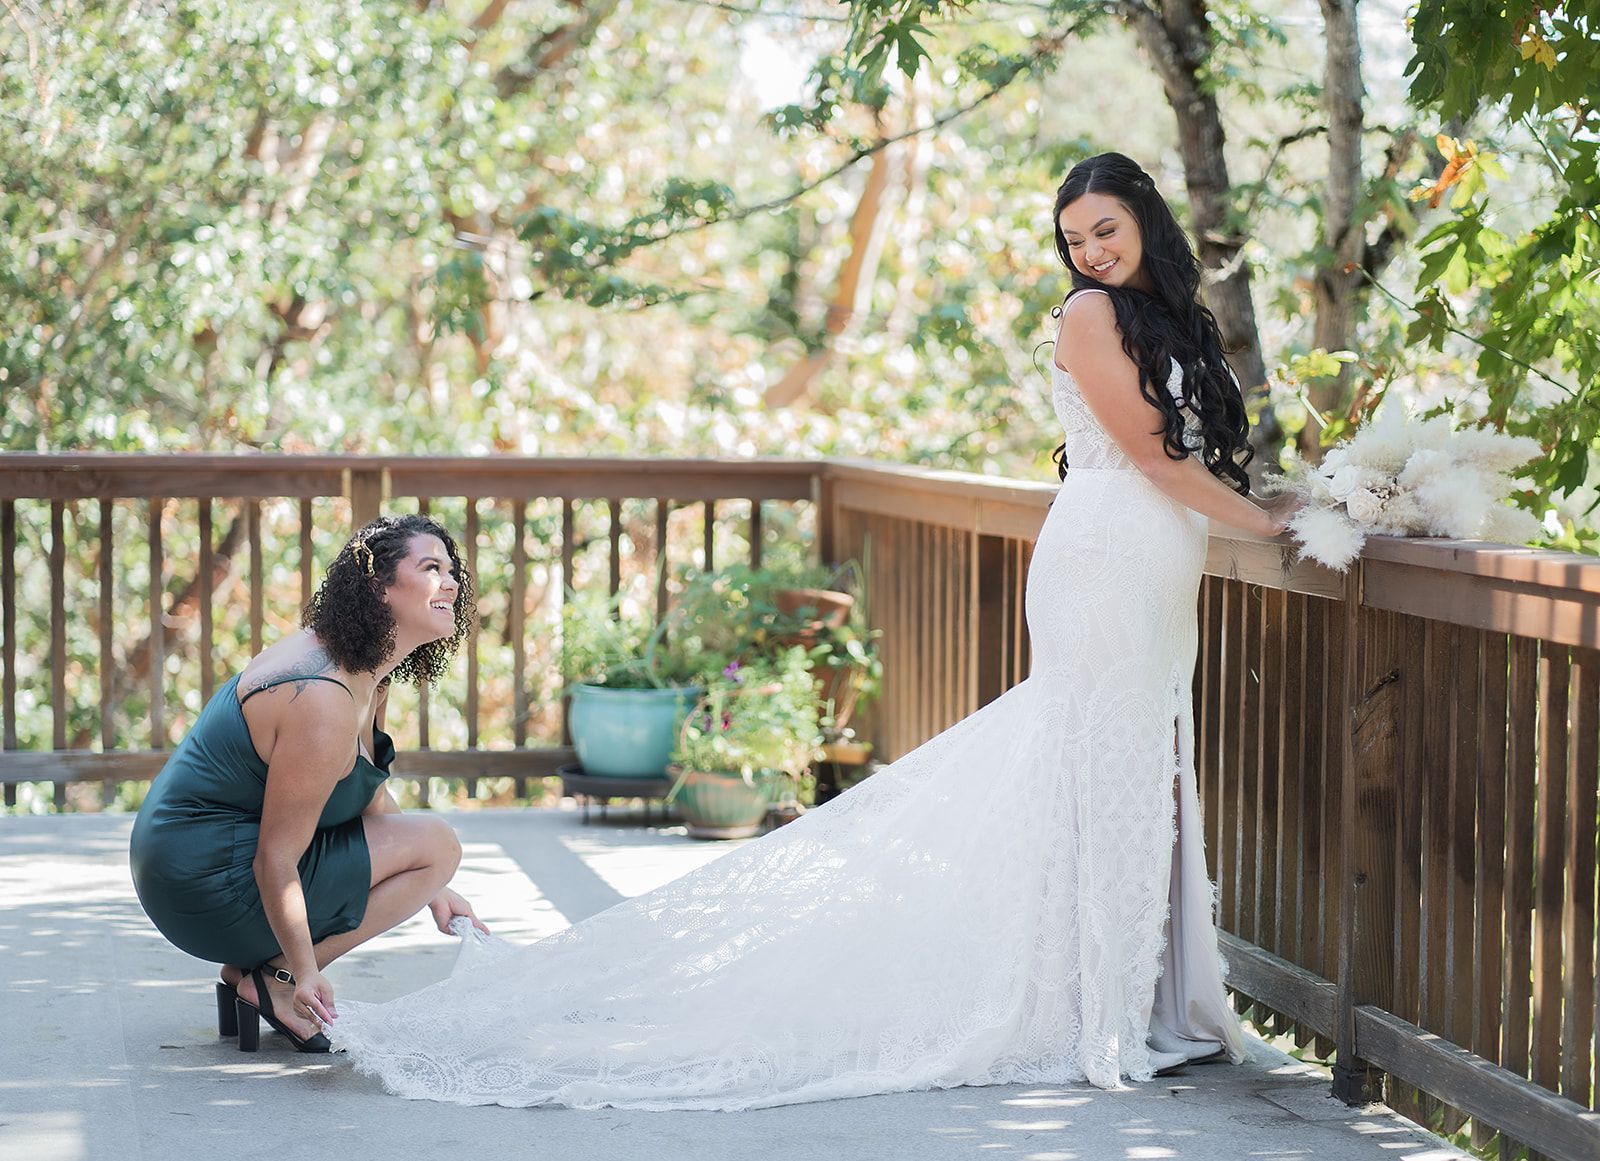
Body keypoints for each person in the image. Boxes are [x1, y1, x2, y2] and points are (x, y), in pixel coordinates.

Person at [330, 153, 1301, 1108]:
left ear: (1145, 223)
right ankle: (1097, 1009)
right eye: (1073, 238)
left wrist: (1285, 503)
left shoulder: (1162, 315)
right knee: (1096, 774)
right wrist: (1284, 528)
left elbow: (1186, 460)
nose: (1089, 252)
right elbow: (1154, 461)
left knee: (1135, 772)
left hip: (1153, 570)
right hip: (1102, 564)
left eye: (1105, 232)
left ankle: (1136, 998)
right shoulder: (1089, 315)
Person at [130, 513, 488, 1053]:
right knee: (437, 840)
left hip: (213, 858)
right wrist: (299, 973)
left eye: (451, 569)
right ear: (379, 585)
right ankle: (268, 984)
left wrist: (432, 884)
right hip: (200, 878)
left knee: (433, 851)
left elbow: (364, 789)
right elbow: (275, 858)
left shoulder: (367, 671)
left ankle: (261, 975)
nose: (451, 582)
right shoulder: (320, 696)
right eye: (431, 567)